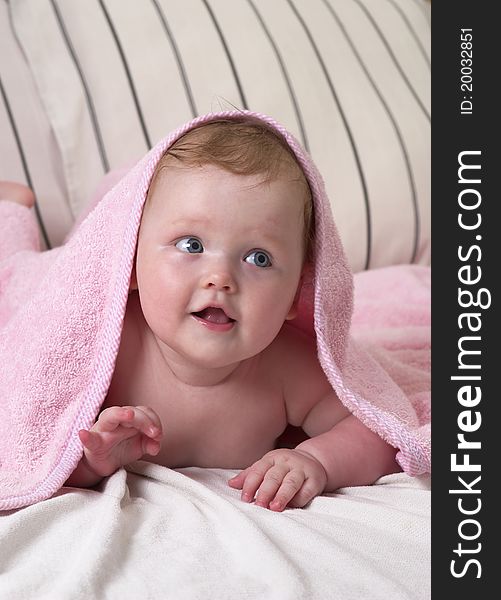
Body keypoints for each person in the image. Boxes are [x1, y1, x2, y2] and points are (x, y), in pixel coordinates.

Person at [1, 119, 399, 512]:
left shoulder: (286, 369)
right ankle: (11, 209)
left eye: (258, 258)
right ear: (132, 262)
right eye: (191, 245)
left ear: (298, 292)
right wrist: (90, 460)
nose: (221, 278)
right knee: (12, 273)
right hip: (44, 280)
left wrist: (318, 460)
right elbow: (34, 446)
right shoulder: (105, 345)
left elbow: (377, 428)